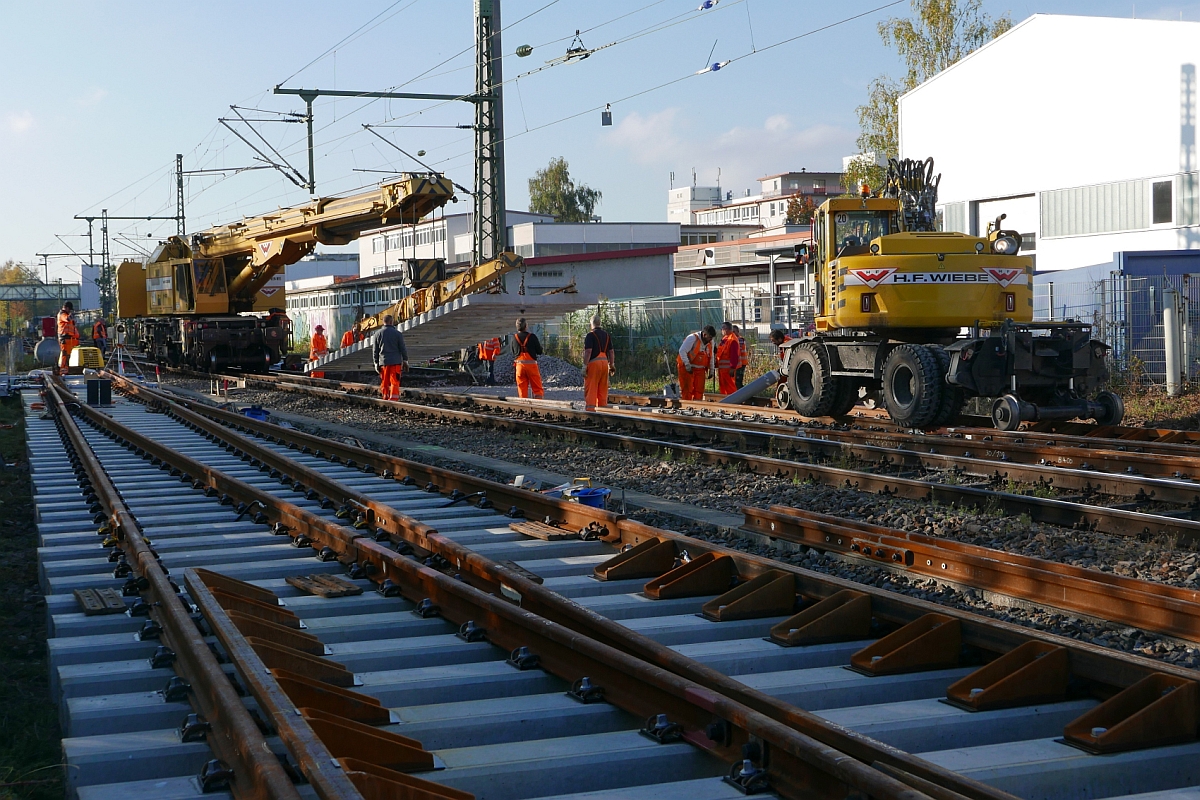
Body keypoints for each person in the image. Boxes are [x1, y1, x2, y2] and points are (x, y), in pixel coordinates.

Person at [581, 315, 614, 411]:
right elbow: (611, 352)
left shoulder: (590, 335)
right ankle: (603, 411)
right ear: (600, 323)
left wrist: (584, 366)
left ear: (591, 324)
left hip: (594, 364)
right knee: (603, 389)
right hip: (605, 364)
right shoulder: (607, 335)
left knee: (591, 388)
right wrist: (611, 365)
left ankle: (590, 411)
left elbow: (588, 351)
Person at [373, 314, 409, 400]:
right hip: (395, 362)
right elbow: (402, 348)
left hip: (383, 363)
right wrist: (405, 360)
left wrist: (376, 362)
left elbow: (375, 350)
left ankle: (385, 397)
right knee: (394, 381)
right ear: (391, 322)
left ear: (383, 322)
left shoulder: (377, 334)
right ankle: (394, 399)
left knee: (384, 382)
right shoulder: (398, 334)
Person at [676, 325, 716, 401]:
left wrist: (711, 369)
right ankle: (687, 406)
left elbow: (711, 356)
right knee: (687, 390)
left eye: (712, 338)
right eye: (709, 337)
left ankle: (697, 406)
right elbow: (682, 351)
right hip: (687, 368)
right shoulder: (692, 338)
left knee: (699, 390)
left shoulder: (711, 342)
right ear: (704, 335)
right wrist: (687, 365)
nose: (711, 339)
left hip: (700, 369)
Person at [511, 318, 544, 399]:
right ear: (526, 326)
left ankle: (523, 406)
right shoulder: (532, 337)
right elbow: (539, 351)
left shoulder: (514, 338)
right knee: (537, 387)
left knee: (522, 388)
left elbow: (513, 352)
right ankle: (539, 405)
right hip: (531, 366)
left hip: (519, 366)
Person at [715, 322, 741, 396]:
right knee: (723, 387)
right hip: (723, 369)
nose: (721, 330)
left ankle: (733, 401)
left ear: (727, 329)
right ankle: (725, 401)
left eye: (723, 328)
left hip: (728, 369)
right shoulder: (725, 339)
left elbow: (734, 355)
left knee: (730, 387)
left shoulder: (732, 340)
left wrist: (732, 368)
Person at [57, 301, 79, 372]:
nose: (70, 311)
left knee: (68, 355)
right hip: (64, 338)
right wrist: (72, 315)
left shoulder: (66, 314)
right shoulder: (62, 314)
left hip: (69, 338)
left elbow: (72, 325)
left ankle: (66, 369)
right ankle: (63, 369)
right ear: (66, 308)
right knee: (65, 355)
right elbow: (67, 319)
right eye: (69, 309)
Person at [733, 324, 748, 389]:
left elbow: (737, 350)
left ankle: (742, 394)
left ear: (737, 332)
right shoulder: (736, 339)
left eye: (734, 332)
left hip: (741, 364)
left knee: (738, 381)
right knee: (736, 380)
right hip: (739, 363)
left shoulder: (740, 339)